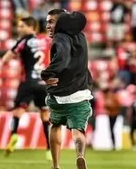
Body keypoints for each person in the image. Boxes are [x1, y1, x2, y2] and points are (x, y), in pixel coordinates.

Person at [41, 9, 93, 169]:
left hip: (58, 94)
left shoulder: (60, 38)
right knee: (78, 130)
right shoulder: (81, 37)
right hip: (80, 93)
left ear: (62, 23)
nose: (48, 26)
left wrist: (46, 73)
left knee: (55, 125)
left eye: (51, 21)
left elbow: (63, 58)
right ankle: (80, 155)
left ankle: (56, 165)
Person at [2, 17, 51, 160]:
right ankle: (49, 149)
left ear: (31, 27)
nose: (19, 29)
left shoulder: (24, 41)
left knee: (17, 111)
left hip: (28, 82)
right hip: (44, 83)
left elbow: (6, 58)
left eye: (22, 26)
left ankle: (14, 135)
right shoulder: (47, 41)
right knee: (45, 116)